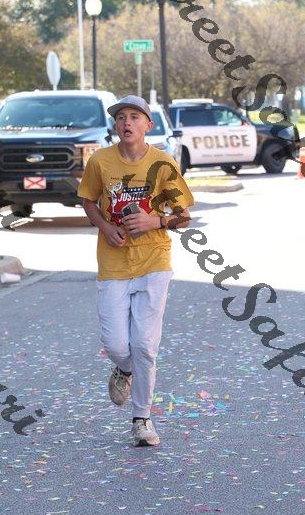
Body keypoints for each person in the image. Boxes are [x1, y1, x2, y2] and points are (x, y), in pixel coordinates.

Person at [77, 95, 194, 447]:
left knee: (144, 345)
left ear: (148, 125)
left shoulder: (162, 163)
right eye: (121, 117)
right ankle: (123, 368)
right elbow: (88, 200)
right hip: (113, 263)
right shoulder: (100, 161)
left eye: (134, 116)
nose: (126, 122)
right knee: (116, 344)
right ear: (115, 125)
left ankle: (142, 419)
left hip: (154, 262)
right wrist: (105, 227)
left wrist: (154, 221)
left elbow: (184, 217)